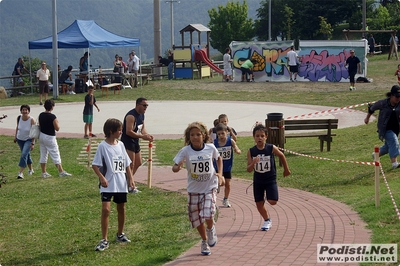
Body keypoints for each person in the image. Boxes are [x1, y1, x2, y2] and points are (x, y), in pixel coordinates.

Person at [172, 121, 224, 255]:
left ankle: (211, 229)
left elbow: (219, 159)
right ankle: (204, 241)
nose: (195, 137)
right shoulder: (185, 151)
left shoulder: (210, 148)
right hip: (194, 189)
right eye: (192, 135)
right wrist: (178, 167)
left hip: (209, 187)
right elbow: (174, 167)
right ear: (188, 137)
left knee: (208, 212)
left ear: (204, 135)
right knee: (197, 219)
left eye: (198, 134)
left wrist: (219, 174)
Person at [92, 118, 136, 252]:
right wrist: (102, 178)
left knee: (121, 208)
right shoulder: (102, 146)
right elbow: (95, 165)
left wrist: (130, 179)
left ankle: (120, 234)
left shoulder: (121, 145)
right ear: (111, 131)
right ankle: (104, 239)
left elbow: (126, 163)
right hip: (108, 184)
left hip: (121, 184)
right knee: (106, 210)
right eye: (119, 130)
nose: (121, 132)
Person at [246, 124, 291, 231]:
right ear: (254, 137)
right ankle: (267, 220)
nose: (259, 138)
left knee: (273, 201)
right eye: (257, 136)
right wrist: (253, 163)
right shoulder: (251, 151)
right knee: (258, 204)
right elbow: (248, 169)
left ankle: (268, 194)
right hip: (258, 180)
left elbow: (281, 155)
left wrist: (286, 169)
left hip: (270, 179)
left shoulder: (271, 148)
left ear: (266, 137)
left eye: (262, 136)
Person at [120, 97, 153, 191]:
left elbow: (142, 129)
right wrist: (142, 137)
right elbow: (128, 131)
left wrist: (147, 135)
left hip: (135, 141)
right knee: (131, 164)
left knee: (138, 162)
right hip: (128, 141)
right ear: (138, 105)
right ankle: (129, 185)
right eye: (144, 105)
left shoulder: (142, 115)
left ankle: (127, 182)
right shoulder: (131, 116)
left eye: (147, 105)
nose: (146, 107)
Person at [365, 85, 400, 169]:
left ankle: (376, 154)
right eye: (396, 96)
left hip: (396, 128)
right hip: (385, 128)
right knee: (394, 141)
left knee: (389, 146)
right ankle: (394, 163)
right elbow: (371, 108)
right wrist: (367, 118)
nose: (398, 98)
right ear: (391, 95)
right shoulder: (383, 103)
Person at [38, 99, 72, 178]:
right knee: (55, 153)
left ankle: (44, 172)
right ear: (52, 107)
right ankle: (61, 171)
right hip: (50, 137)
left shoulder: (41, 115)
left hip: (42, 135)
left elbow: (39, 125)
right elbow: (57, 128)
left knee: (43, 154)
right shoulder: (52, 117)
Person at [214, 123, 241, 208]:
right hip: (217, 167)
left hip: (227, 166)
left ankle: (226, 199)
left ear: (227, 132)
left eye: (222, 133)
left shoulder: (230, 141)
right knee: (218, 184)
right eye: (218, 134)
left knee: (227, 184)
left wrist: (237, 150)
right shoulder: (215, 143)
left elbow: (236, 147)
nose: (221, 136)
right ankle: (213, 201)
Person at [14, 104, 35, 179]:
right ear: (21, 111)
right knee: (26, 154)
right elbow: (17, 127)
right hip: (20, 139)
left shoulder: (31, 119)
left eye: (26, 110)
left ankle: (20, 173)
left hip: (28, 140)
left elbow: (34, 132)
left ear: (28, 111)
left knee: (24, 154)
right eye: (23, 110)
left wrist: (33, 143)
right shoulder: (19, 118)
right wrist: (15, 136)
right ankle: (31, 169)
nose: (24, 111)